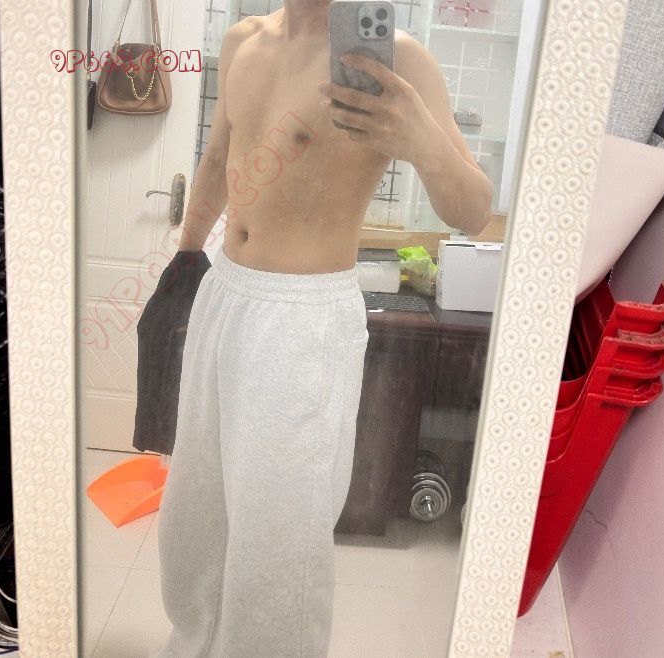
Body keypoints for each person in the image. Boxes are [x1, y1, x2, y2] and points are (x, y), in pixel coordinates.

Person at [154, 3, 493, 657]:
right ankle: (192, 645)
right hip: (223, 291)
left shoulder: (400, 57)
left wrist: (419, 135)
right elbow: (218, 161)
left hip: (303, 318)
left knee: (278, 534)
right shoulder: (243, 39)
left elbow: (473, 210)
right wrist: (184, 264)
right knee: (196, 510)